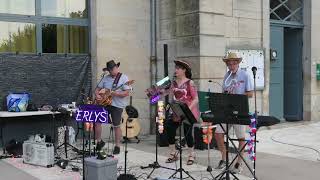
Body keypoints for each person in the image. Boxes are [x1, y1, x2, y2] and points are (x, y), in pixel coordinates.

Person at [214, 52, 253, 173]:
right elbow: (224, 92)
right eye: (229, 64)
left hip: (240, 110)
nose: (231, 66)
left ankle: (238, 163)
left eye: (233, 63)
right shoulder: (227, 76)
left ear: (237, 63)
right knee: (218, 133)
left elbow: (250, 93)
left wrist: (237, 95)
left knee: (241, 138)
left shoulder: (245, 75)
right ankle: (224, 159)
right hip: (227, 110)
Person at [164, 60, 200, 165]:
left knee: (188, 133)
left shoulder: (190, 82)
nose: (176, 70)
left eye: (178, 68)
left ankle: (191, 154)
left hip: (188, 111)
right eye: (175, 68)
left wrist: (188, 109)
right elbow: (164, 92)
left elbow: (196, 99)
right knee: (169, 128)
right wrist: (153, 93)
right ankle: (173, 153)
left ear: (184, 70)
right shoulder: (173, 82)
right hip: (176, 111)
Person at [95, 60, 131, 155]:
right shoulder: (105, 78)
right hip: (105, 104)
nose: (111, 72)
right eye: (109, 70)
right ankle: (99, 142)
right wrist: (97, 95)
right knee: (97, 121)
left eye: (112, 69)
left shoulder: (124, 78)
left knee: (116, 125)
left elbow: (126, 93)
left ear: (116, 68)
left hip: (117, 105)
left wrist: (115, 93)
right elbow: (97, 89)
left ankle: (117, 146)